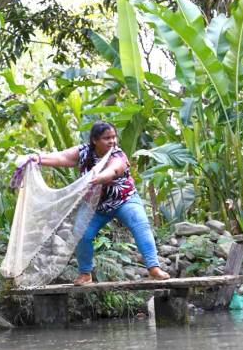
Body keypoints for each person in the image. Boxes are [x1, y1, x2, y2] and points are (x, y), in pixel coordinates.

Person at [31, 121, 170, 285]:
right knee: (81, 234)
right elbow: (62, 157)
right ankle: (85, 274)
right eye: (107, 138)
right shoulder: (84, 151)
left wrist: (98, 178)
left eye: (113, 137)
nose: (112, 141)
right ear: (95, 140)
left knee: (141, 225)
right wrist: (37, 158)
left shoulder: (118, 155)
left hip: (124, 200)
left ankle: (153, 268)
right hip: (94, 206)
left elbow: (114, 170)